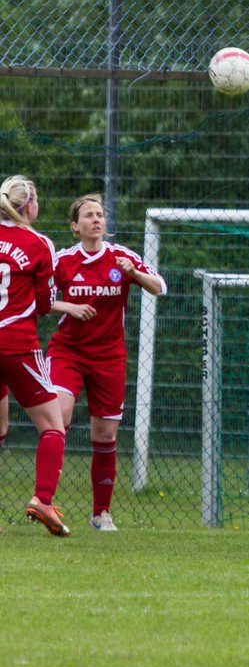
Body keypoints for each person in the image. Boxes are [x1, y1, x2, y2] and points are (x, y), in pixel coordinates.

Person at [48, 194, 166, 532]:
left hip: (109, 357)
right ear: (75, 226)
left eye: (100, 215)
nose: (96, 220)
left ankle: (101, 514)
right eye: (88, 215)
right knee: (59, 416)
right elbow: (40, 299)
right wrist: (68, 308)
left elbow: (160, 286)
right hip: (68, 351)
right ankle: (46, 504)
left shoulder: (122, 257)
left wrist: (136, 275)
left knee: (104, 435)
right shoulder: (63, 260)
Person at [0, 175, 70, 536]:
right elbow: (44, 305)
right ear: (29, 206)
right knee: (53, 426)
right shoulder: (39, 243)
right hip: (16, 344)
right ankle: (42, 500)